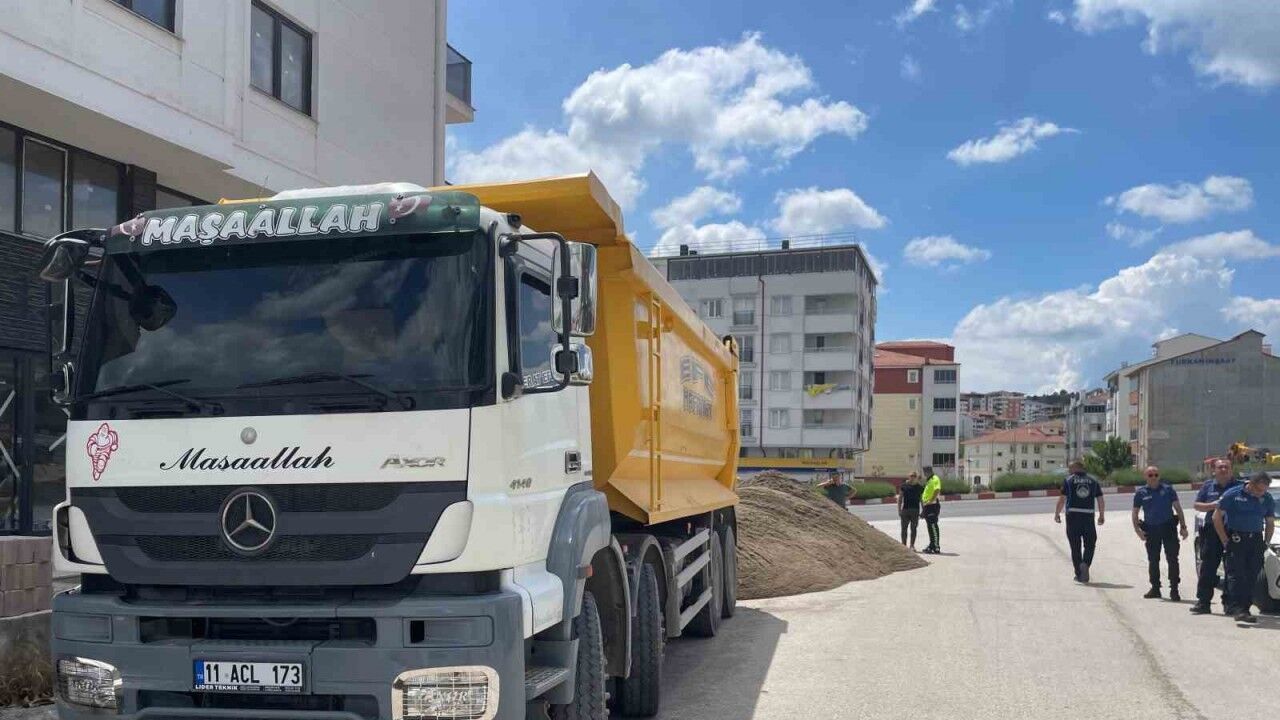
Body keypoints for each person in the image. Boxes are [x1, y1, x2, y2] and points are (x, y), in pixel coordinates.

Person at [1212, 471, 1276, 624]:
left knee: (1252, 575)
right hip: (1237, 538)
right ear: (1251, 485)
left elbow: (1270, 522)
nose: (1261, 493)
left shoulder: (1267, 498)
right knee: (1237, 575)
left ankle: (1244, 608)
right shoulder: (1233, 494)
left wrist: (1266, 542)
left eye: (1264, 490)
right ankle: (1239, 609)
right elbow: (1216, 516)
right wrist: (1224, 540)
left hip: (1256, 539)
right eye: (1259, 490)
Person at [1190, 459, 1242, 615]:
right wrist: (1214, 505)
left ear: (1231, 469)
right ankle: (1203, 602)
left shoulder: (1240, 487)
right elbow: (1197, 505)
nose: (1224, 469)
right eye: (1220, 467)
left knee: (1232, 569)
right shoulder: (1208, 486)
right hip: (1211, 531)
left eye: (1227, 467)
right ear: (1214, 470)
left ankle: (1230, 604)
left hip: (1233, 530)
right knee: (1208, 567)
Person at [1131, 466, 1188, 600]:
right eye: (1150, 475)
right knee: (1153, 560)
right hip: (1151, 530)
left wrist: (1183, 527)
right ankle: (1155, 588)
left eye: (1156, 475)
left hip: (1168, 528)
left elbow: (1178, 509)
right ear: (1145, 477)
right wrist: (1137, 530)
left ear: (1159, 476)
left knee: (1172, 559)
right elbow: (1135, 512)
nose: (1154, 477)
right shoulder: (1141, 493)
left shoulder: (1168, 490)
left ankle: (1174, 589)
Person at [1055, 460, 1105, 583]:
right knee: (1090, 543)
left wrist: (1057, 513)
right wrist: (1101, 515)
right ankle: (1085, 563)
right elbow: (1100, 499)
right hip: (1088, 516)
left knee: (1075, 546)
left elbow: (1062, 499)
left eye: (1070, 468)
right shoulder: (1093, 481)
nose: (1069, 470)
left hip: (1072, 516)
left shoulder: (1068, 480)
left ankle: (1079, 573)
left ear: (1077, 467)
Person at [898, 472, 924, 550]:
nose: (912, 477)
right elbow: (900, 498)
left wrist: (923, 510)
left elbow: (922, 500)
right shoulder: (904, 486)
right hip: (905, 510)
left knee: (914, 528)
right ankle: (904, 545)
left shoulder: (919, 487)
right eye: (911, 476)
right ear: (908, 477)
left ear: (916, 477)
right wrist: (899, 510)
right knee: (904, 528)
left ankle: (912, 545)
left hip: (915, 510)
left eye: (914, 476)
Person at [921, 467, 943, 554]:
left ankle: (936, 546)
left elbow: (937, 489)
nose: (924, 474)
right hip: (927, 506)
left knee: (933, 526)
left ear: (928, 472)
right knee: (930, 526)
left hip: (932, 505)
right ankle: (931, 545)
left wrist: (931, 500)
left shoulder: (935, 478)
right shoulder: (929, 480)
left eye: (925, 472)